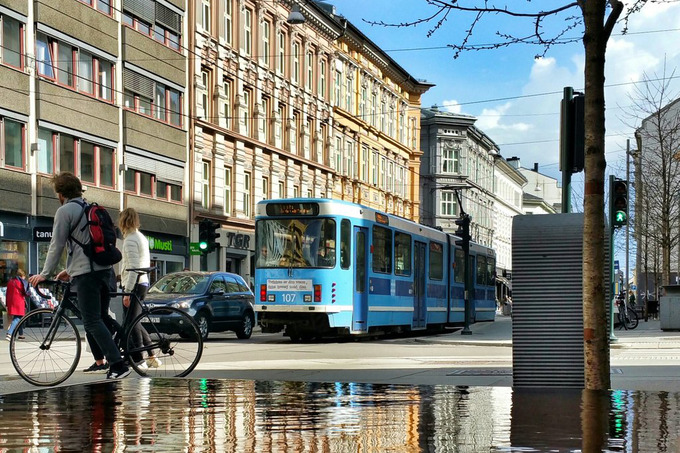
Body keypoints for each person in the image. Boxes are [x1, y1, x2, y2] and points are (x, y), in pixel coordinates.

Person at [29, 172, 130, 379]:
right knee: (101, 317)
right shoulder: (88, 207)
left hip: (88, 277)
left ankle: (118, 365)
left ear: (60, 193)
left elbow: (56, 245)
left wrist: (44, 274)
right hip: (104, 271)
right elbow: (85, 245)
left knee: (91, 321)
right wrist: (69, 270)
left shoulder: (65, 211)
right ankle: (131, 344)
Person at [118, 207, 160, 370]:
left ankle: (138, 359)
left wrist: (128, 291)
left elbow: (134, 266)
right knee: (135, 321)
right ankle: (151, 355)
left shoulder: (130, 239)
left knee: (131, 324)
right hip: (143, 283)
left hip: (134, 284)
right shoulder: (141, 237)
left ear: (123, 222)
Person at [5, 269, 28, 341]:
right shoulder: (21, 282)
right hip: (19, 302)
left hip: (11, 302)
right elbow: (25, 292)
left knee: (19, 317)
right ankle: (9, 333)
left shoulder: (10, 282)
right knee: (17, 318)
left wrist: (6, 304)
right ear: (21, 276)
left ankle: (21, 334)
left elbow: (7, 293)